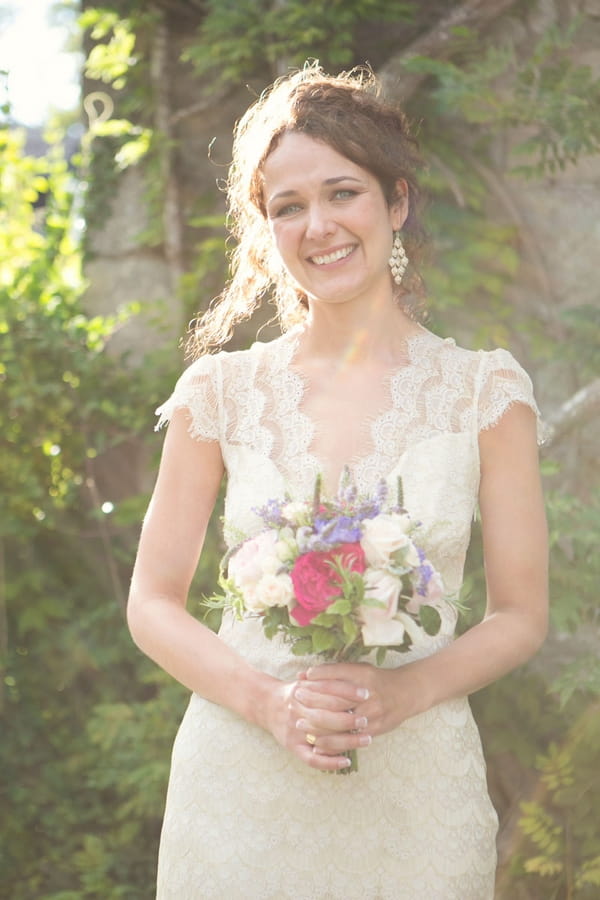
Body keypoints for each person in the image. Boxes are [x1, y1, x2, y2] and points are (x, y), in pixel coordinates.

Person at [127, 63, 548, 899]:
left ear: (396, 203)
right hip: (239, 796)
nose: (318, 225)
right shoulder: (221, 393)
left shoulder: (484, 394)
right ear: (265, 232)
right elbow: (151, 602)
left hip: (417, 796)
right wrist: (266, 703)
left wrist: (406, 691)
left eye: (342, 193)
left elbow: (522, 614)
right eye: (287, 207)